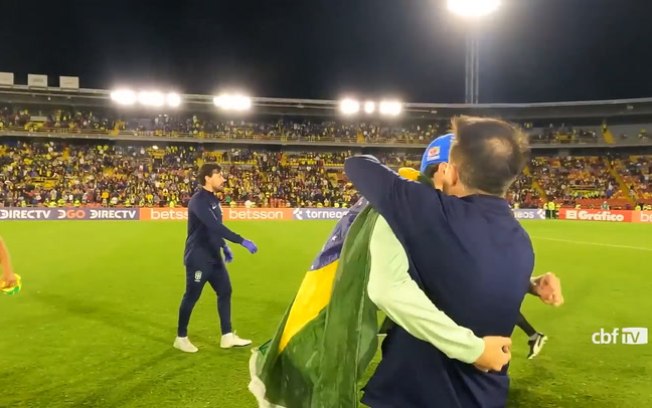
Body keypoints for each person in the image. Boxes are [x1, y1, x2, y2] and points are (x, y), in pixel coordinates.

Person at [344, 116, 536, 407]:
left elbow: (357, 165)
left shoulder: (429, 212)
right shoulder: (523, 244)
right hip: (486, 395)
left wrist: (472, 349)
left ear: (451, 172)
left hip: (415, 394)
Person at [418, 133, 564, 359]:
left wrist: (530, 284)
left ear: (451, 174)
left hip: (442, 367)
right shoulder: (514, 236)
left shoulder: (440, 225)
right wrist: (532, 284)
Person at [174, 163, 259, 353]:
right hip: (198, 257)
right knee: (192, 296)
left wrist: (223, 246)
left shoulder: (213, 200)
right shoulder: (198, 201)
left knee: (225, 291)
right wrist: (240, 241)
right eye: (219, 175)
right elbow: (214, 226)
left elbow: (214, 228)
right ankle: (181, 337)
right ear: (207, 178)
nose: (223, 179)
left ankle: (227, 336)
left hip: (214, 256)